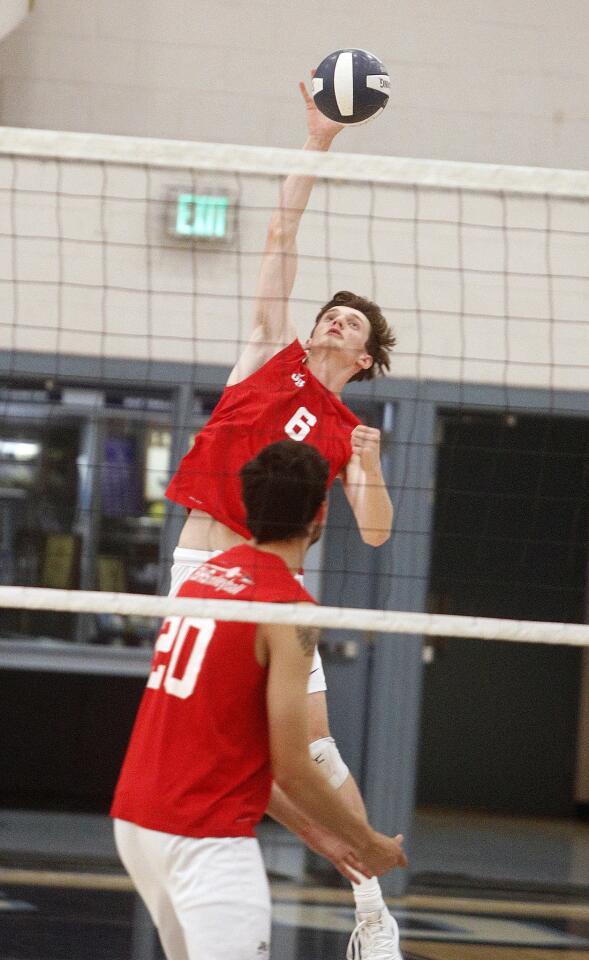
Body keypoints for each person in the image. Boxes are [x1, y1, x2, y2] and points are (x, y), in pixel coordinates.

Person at [164, 75, 401, 959]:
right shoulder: (266, 353)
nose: (331, 319)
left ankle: (371, 909)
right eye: (328, 312)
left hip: (275, 589)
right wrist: (317, 141)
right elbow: (279, 231)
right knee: (253, 765)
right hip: (201, 575)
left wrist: (372, 469)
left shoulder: (347, 433)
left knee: (319, 757)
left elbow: (375, 531)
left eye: (349, 323)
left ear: (365, 356)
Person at [112, 441, 407, 960]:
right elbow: (291, 765)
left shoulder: (200, 579)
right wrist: (366, 840)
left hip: (139, 823)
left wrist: (323, 839)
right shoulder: (288, 609)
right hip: (204, 841)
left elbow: (238, 754)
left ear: (248, 507)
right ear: (319, 514)